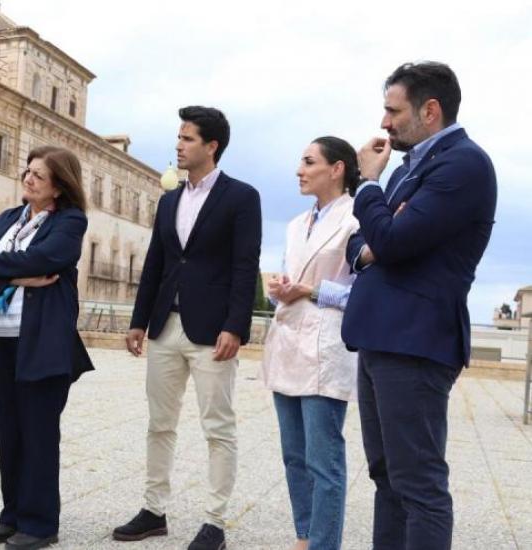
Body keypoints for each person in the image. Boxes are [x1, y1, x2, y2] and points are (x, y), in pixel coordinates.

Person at [343, 61, 497, 550]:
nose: (384, 122)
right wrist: (381, 233)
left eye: (393, 111)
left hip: (415, 342)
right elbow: (363, 242)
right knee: (386, 478)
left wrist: (368, 186)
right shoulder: (411, 169)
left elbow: (389, 240)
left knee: (418, 485)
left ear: (429, 111)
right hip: (381, 337)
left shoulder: (463, 164)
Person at [114, 106, 262, 550]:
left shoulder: (242, 197)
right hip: (165, 327)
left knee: (218, 427)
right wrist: (139, 321)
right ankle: (153, 510)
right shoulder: (169, 200)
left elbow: (245, 266)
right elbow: (156, 263)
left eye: (187, 138)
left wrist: (235, 326)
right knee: (159, 423)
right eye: (178, 137)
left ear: (211, 146)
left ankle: (214, 522)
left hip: (213, 332)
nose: (178, 145)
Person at [0, 146, 94, 550]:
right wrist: (19, 277)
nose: (28, 179)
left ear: (58, 187)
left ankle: (40, 522)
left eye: (39, 175)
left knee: (38, 433)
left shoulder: (70, 221)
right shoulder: (8, 219)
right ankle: (12, 514)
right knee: (9, 432)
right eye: (27, 171)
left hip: (42, 341)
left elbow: (47, 258)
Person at [261, 136, 361, 550]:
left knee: (324, 461)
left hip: (326, 345)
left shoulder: (357, 219)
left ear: (337, 169)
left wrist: (311, 290)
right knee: (294, 456)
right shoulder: (294, 225)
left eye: (308, 162)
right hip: (287, 342)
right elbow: (291, 281)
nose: (299, 171)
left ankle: (323, 544)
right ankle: (304, 537)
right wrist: (279, 289)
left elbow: (363, 293)